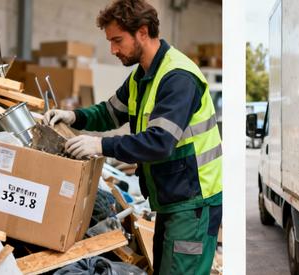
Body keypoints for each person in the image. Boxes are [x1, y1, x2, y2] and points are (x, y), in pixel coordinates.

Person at [43, 0, 222, 273]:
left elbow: (159, 142)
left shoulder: (178, 78)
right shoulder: (142, 76)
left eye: (117, 40)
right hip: (173, 199)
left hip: (194, 203)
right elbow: (110, 113)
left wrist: (100, 145)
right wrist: (74, 117)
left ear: (143, 31)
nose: (113, 49)